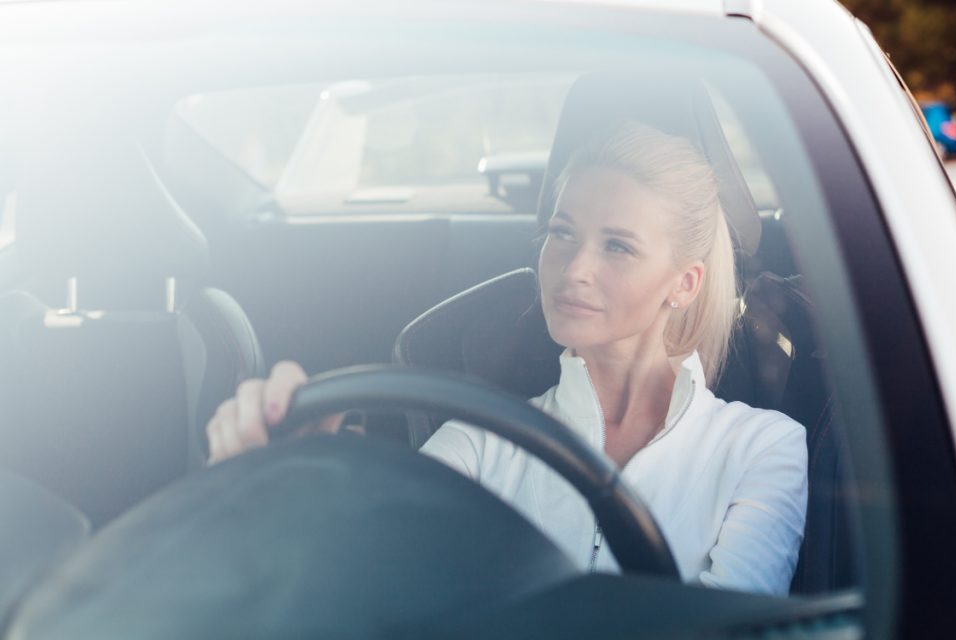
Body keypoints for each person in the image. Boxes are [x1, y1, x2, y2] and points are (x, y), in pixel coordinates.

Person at [205, 121, 807, 596]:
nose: (573, 269)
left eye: (618, 245)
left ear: (684, 283)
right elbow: (372, 577)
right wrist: (283, 487)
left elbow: (738, 628)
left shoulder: (763, 447)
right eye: (562, 232)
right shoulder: (480, 440)